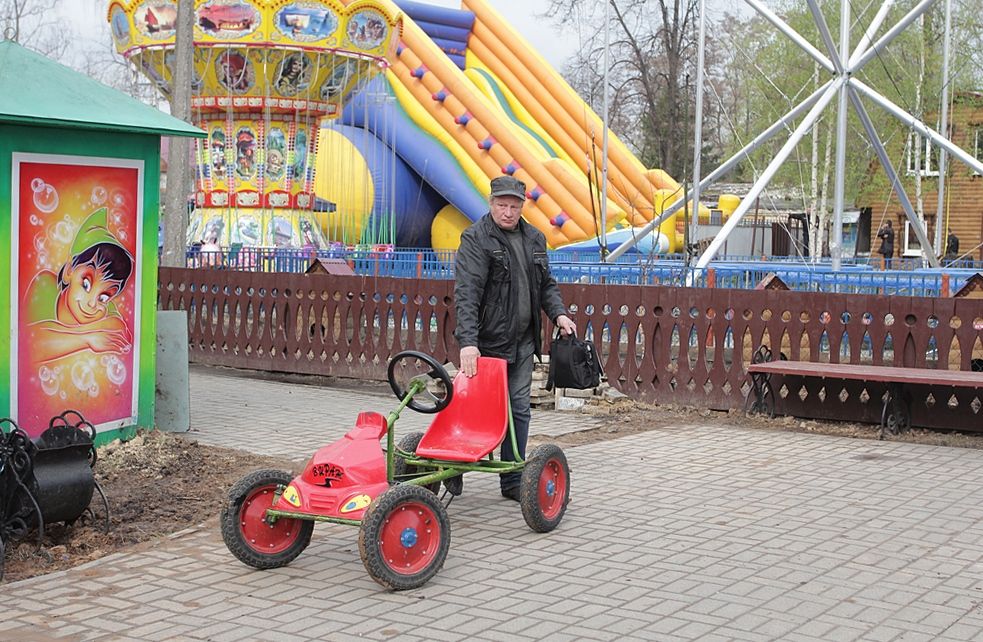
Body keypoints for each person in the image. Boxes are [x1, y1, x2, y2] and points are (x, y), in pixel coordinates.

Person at [454, 176, 576, 501]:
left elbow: (546, 284)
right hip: (487, 342)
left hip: (523, 340)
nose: (507, 212)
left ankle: (512, 481)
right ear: (491, 203)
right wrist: (468, 342)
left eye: (513, 206)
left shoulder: (535, 238)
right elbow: (467, 293)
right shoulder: (476, 239)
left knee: (519, 407)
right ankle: (455, 467)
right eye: (501, 205)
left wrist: (559, 314)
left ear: (522, 206)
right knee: (476, 408)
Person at [25, 208, 133, 363]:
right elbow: (26, 344)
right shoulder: (45, 284)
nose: (92, 303)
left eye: (104, 296)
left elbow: (123, 336)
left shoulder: (105, 310)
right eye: (86, 284)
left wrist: (53, 334)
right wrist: (88, 338)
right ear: (69, 270)